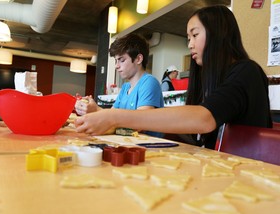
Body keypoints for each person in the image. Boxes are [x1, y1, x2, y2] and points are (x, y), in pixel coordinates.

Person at [74, 5, 272, 149]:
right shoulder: (209, 79)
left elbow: (205, 119)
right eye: (188, 38)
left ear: (219, 34)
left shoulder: (247, 72)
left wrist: (114, 117)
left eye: (195, 35)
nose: (190, 44)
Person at [74, 33, 164, 137]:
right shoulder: (126, 87)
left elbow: (140, 124)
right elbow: (112, 117)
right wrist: (93, 109)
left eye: (121, 60)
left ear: (138, 59)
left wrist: (96, 111)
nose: (117, 66)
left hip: (149, 147)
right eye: (116, 61)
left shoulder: (149, 82)